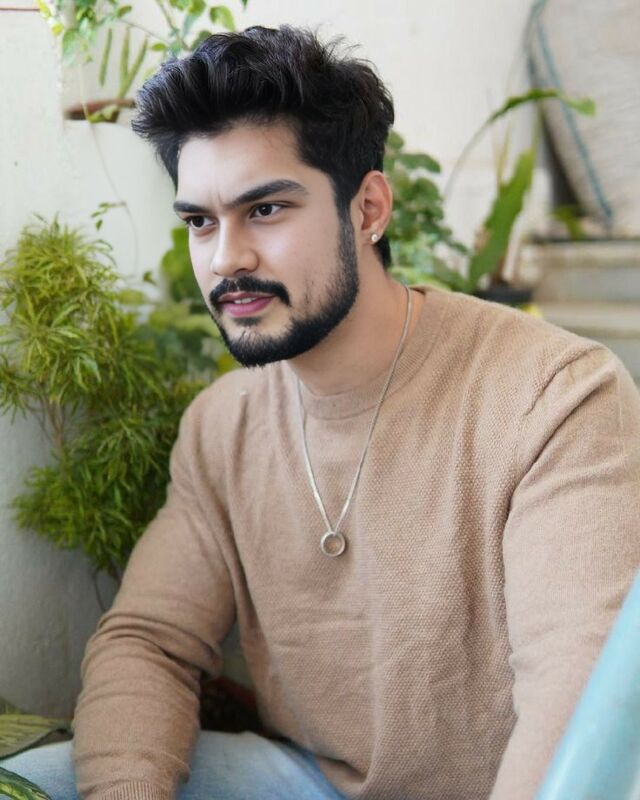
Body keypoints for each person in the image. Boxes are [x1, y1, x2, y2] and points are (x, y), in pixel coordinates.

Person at [4, 24, 640, 800]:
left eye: (266, 209)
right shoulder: (223, 424)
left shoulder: (554, 395)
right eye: (200, 221)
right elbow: (149, 641)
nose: (225, 257)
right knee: (35, 782)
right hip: (313, 783)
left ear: (368, 207)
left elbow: (579, 700)